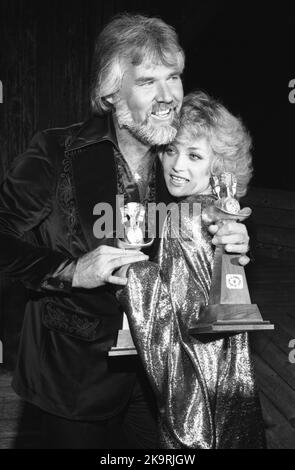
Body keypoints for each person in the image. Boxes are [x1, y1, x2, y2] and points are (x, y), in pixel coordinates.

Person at [0, 14, 250, 449]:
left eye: (173, 77)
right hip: (75, 383)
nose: (168, 95)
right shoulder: (55, 153)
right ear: (111, 93)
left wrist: (229, 246)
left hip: (161, 377)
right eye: (148, 81)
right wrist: (71, 269)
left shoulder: (175, 163)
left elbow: (204, 233)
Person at [118, 90, 266, 449]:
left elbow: (179, 340)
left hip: (195, 404)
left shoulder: (183, 219)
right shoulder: (207, 210)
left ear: (218, 167)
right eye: (171, 150)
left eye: (194, 155)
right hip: (229, 396)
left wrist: (131, 271)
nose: (177, 166)